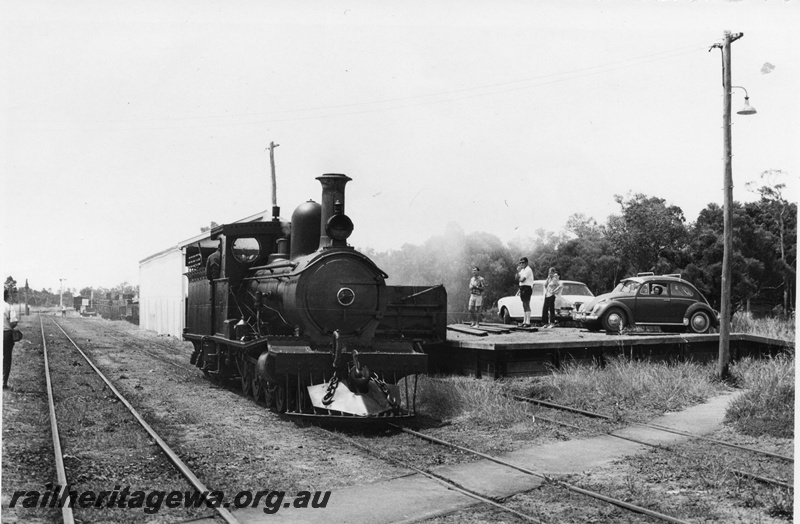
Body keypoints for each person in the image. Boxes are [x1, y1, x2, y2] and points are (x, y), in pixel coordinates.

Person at [4, 288, 19, 390]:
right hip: (6, 334)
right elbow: (14, 322)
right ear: (5, 295)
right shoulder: (8, 307)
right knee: (6, 358)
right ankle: (3, 383)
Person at [517, 258, 534, 327]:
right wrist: (518, 272)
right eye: (520, 263)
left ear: (526, 263)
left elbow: (522, 280)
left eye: (523, 263)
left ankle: (528, 322)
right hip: (522, 287)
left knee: (527, 304)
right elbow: (516, 277)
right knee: (524, 304)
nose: (521, 264)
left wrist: (519, 278)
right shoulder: (522, 270)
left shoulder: (528, 270)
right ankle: (524, 321)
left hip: (527, 287)